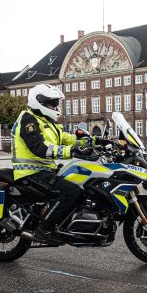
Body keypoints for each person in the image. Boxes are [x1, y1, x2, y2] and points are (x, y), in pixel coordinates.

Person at [11, 83, 98, 243]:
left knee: (81, 183)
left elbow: (68, 137)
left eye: (55, 103)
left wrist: (94, 140)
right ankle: (44, 229)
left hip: (45, 171)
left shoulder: (46, 121)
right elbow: (39, 148)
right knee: (72, 191)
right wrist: (71, 151)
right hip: (30, 174)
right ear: (40, 102)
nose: (55, 106)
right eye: (51, 103)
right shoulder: (28, 120)